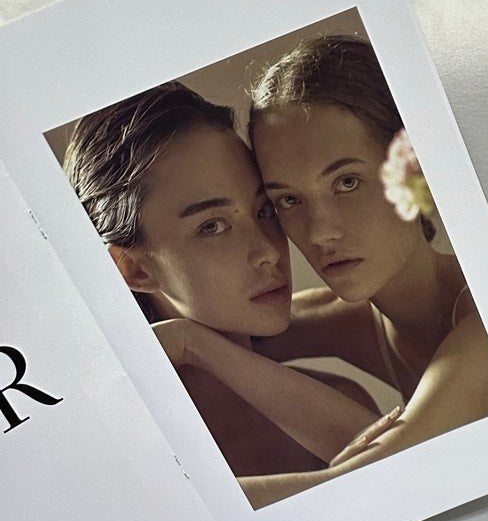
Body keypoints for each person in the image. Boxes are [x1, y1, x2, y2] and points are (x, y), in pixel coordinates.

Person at [63, 83, 380, 487]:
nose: (269, 251)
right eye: (212, 226)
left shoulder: (341, 398)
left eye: (264, 210)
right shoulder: (124, 455)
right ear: (134, 269)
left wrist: (195, 343)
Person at [241, 34, 488, 505]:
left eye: (347, 182)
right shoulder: (339, 320)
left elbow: (380, 482)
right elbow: (207, 337)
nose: (320, 232)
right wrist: (191, 342)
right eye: (288, 200)